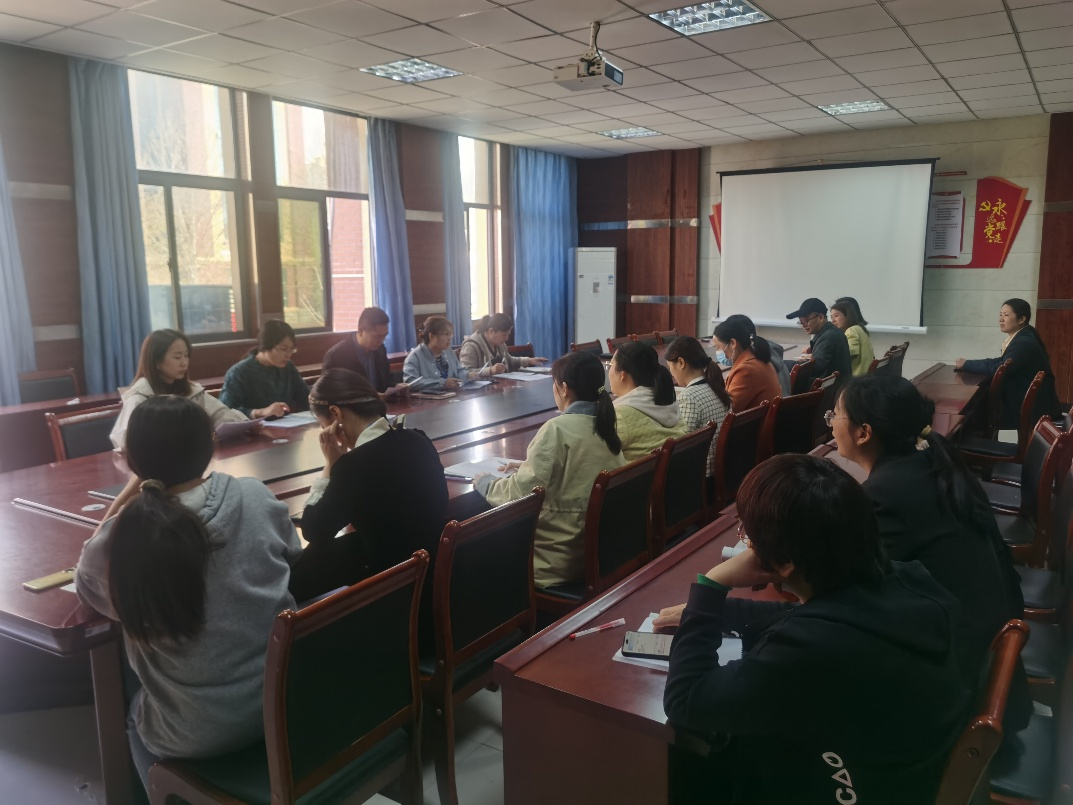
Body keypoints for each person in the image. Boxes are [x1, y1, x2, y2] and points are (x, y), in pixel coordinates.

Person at [658, 454, 971, 804]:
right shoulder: (905, 580)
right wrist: (715, 613)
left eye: (747, 532)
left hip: (842, 787)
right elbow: (814, 616)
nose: (745, 541)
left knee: (697, 763)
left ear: (785, 562)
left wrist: (711, 587)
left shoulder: (810, 649)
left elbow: (685, 701)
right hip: (903, 776)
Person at [74, 396, 302, 792]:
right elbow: (292, 553)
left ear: (131, 460)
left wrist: (130, 493)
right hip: (284, 700)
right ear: (211, 446)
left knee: (130, 689)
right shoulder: (254, 495)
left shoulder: (123, 536)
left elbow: (85, 584)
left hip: (193, 734)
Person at [832, 374, 1030, 731]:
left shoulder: (886, 493)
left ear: (863, 433)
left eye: (835, 415)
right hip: (978, 649)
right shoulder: (933, 467)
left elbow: (849, 586)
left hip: (955, 681)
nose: (830, 423)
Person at [291, 369, 448, 602]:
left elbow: (314, 530)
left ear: (335, 414)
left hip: (394, 596)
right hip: (437, 581)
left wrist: (330, 467)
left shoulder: (353, 466)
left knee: (302, 576)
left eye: (322, 424)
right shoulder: (418, 439)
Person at [475, 351, 625, 588]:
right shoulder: (605, 424)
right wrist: (528, 465)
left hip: (555, 562)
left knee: (475, 548)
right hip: (597, 555)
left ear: (564, 389)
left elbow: (519, 494)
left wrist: (485, 482)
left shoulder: (557, 429)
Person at [110, 329, 246, 449]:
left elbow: (222, 415)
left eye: (186, 356)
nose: (184, 363)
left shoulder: (192, 391)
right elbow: (127, 440)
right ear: (157, 362)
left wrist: (245, 423)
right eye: (177, 357)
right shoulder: (140, 397)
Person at [956, 298, 1061, 430]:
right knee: (979, 399)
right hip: (1025, 397)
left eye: (1006, 315)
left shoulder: (1024, 342)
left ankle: (967, 437)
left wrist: (966, 365)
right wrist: (967, 363)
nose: (1001, 319)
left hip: (1032, 406)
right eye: (1000, 315)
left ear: (1022, 319)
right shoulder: (1024, 335)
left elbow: (1000, 368)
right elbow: (1000, 361)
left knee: (977, 403)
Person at [608, 341, 686, 461]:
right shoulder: (669, 400)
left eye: (611, 365)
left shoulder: (620, 416)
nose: (609, 370)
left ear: (622, 374)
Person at [664, 336, 731, 477]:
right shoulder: (715, 386)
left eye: (670, 368)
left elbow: (679, 446)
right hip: (719, 469)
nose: (672, 374)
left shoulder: (689, 398)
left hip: (700, 476)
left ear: (681, 362)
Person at [219, 319, 310, 419]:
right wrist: (260, 412)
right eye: (284, 349)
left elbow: (304, 397)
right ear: (266, 346)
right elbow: (226, 412)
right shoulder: (239, 373)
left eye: (292, 349)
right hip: (253, 427)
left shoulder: (288, 367)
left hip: (285, 425)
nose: (288, 355)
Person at [321, 306, 402, 395]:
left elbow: (385, 382)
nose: (381, 341)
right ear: (360, 330)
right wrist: (368, 396)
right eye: (377, 336)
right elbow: (330, 394)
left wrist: (396, 387)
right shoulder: (336, 355)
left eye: (384, 336)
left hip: (379, 402)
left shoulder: (380, 350)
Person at [712, 315, 781, 411]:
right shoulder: (755, 359)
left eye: (718, 347)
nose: (718, 351)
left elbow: (727, 408)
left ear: (732, 343)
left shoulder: (745, 370)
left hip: (757, 421)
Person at [786, 297, 852, 385]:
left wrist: (781, 364)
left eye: (806, 321)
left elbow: (815, 367)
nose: (804, 325)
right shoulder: (830, 332)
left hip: (832, 390)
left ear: (820, 317)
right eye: (801, 322)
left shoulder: (829, 336)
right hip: (835, 386)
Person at [403, 316, 480, 391]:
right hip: (427, 398)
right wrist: (442, 383)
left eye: (451, 334)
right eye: (446, 334)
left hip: (452, 395)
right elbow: (410, 382)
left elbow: (459, 371)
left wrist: (468, 375)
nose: (450, 338)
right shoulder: (415, 356)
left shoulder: (448, 351)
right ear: (431, 336)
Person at [459, 313, 548, 374]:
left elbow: (509, 360)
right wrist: (490, 370)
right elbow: (465, 372)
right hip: (479, 393)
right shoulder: (471, 346)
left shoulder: (500, 344)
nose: (506, 338)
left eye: (508, 335)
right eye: (504, 335)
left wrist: (529, 360)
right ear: (491, 331)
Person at [830, 297, 875, 377]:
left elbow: (847, 353)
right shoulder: (859, 328)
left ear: (847, 315)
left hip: (856, 378)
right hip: (866, 376)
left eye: (836, 316)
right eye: (831, 317)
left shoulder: (851, 331)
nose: (833, 321)